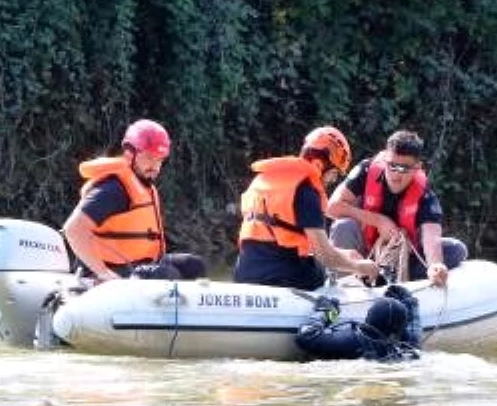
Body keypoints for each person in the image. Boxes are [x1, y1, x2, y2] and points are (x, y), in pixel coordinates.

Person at [234, 126, 381, 290]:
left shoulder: (263, 180)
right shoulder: (306, 192)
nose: (331, 181)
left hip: (244, 273)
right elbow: (326, 256)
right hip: (282, 278)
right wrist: (360, 267)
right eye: (333, 174)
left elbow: (280, 237)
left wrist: (347, 255)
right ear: (319, 164)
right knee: (319, 270)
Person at [62, 119, 207, 282]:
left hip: (140, 265)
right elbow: (73, 229)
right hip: (109, 271)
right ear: (130, 153)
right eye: (149, 158)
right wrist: (103, 273)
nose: (156, 167)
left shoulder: (143, 184)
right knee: (167, 275)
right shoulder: (113, 189)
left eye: (160, 160)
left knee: (194, 265)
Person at [326, 129, 466, 287]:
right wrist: (378, 220)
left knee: (457, 249)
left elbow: (431, 238)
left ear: (417, 167)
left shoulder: (425, 195)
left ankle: (400, 281)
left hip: (402, 259)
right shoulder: (366, 170)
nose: (396, 174)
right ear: (385, 158)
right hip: (362, 254)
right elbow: (331, 207)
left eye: (404, 168)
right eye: (392, 165)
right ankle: (345, 286)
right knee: (343, 226)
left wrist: (436, 266)